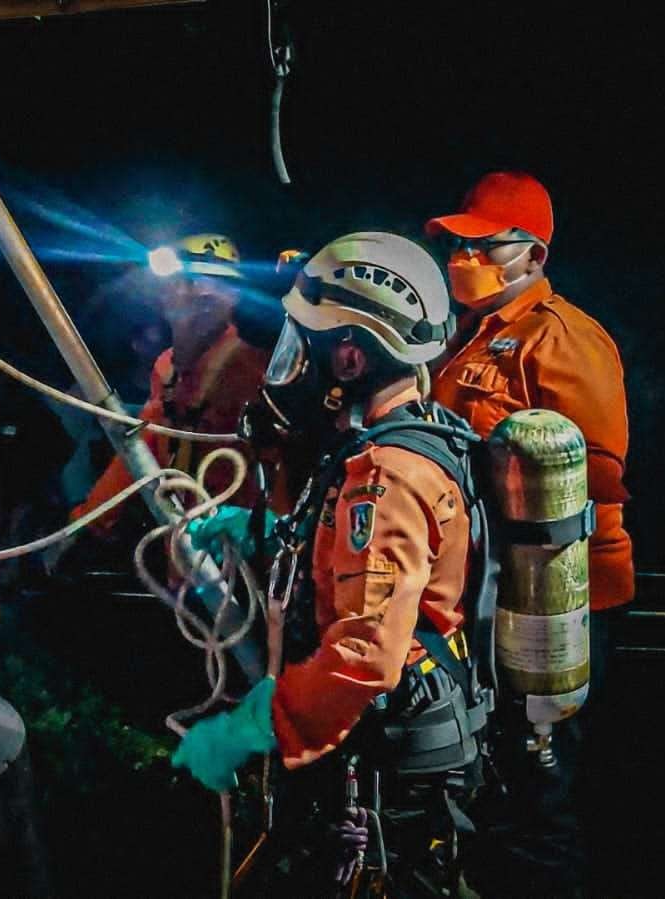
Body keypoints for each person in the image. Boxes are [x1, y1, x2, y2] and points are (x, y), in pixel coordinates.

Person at [173, 232, 488, 895]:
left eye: (303, 344)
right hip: (390, 747)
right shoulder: (400, 439)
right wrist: (264, 534)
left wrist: (248, 726)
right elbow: (359, 562)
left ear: (347, 356)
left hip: (388, 772)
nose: (292, 366)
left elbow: (366, 652)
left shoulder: (385, 474)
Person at [425, 171, 632, 896]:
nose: (461, 259)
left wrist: (491, 460)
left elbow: (598, 471)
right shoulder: (460, 340)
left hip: (558, 600)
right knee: (498, 786)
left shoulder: (562, 338)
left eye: (483, 246)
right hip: (486, 594)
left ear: (533, 257)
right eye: (454, 243)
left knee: (538, 794)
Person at [69, 233, 270, 531]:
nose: (199, 291)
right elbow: (142, 446)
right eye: (188, 280)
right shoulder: (167, 367)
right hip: (184, 540)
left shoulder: (252, 362)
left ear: (235, 296)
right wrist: (88, 521)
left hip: (238, 542)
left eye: (214, 282)